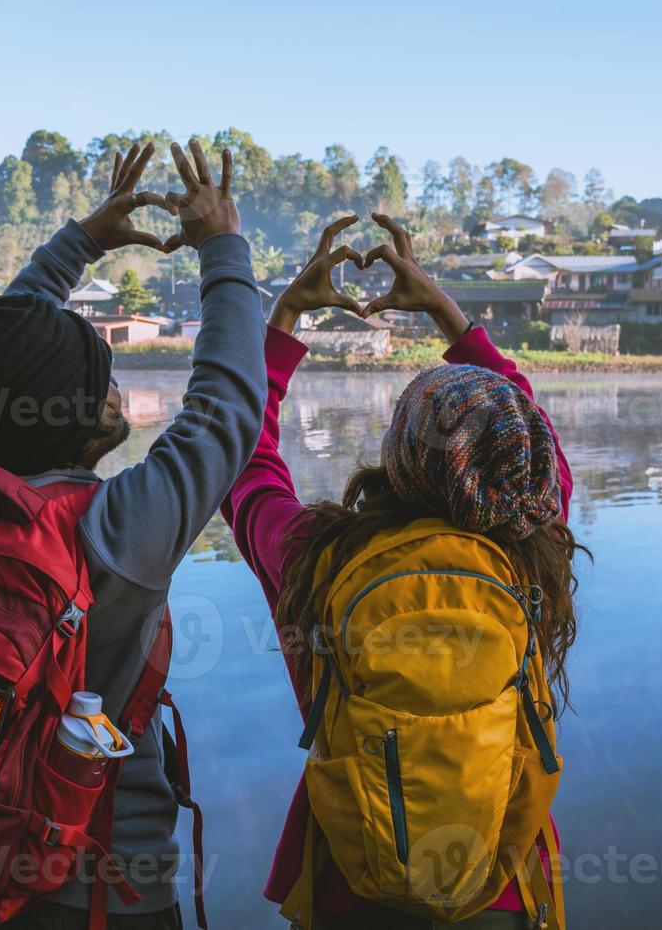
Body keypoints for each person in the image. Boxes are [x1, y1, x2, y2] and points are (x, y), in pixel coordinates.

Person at [0, 140, 267, 930]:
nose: (117, 389)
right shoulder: (122, 531)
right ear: (81, 414)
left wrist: (82, 241)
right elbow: (227, 402)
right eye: (104, 381)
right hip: (102, 897)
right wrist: (223, 243)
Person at [221, 214, 582, 929]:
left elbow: (245, 460)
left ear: (399, 456)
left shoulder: (317, 557)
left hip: (350, 889)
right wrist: (447, 313)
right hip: (501, 887)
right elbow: (528, 431)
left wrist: (286, 316)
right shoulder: (530, 546)